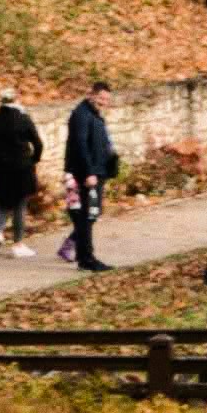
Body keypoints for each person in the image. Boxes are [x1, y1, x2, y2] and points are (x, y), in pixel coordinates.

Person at [60, 81, 119, 274]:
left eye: (106, 99)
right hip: (86, 174)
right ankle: (86, 258)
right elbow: (80, 146)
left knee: (91, 213)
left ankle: (82, 253)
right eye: (101, 98)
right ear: (91, 95)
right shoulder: (81, 115)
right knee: (87, 215)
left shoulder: (92, 114)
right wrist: (89, 173)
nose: (103, 102)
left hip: (97, 171)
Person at [0, 93, 45, 258]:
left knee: (2, 201)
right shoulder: (24, 119)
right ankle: (18, 244)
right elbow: (38, 143)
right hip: (22, 167)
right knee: (20, 205)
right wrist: (33, 159)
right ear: (15, 101)